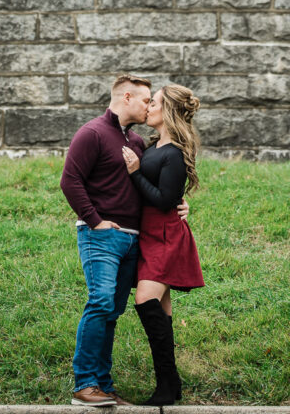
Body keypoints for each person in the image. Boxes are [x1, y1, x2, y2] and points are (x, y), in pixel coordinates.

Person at [60, 75, 189, 407]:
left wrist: (179, 204)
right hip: (102, 236)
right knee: (101, 303)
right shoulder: (92, 133)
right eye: (147, 100)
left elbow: (157, 185)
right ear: (127, 97)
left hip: (135, 240)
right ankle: (85, 384)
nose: (149, 106)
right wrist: (95, 221)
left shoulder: (135, 141)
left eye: (153, 102)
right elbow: (70, 180)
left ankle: (102, 386)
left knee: (112, 311)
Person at [121, 84, 204, 406]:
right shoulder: (155, 145)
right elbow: (169, 196)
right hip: (148, 235)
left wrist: (134, 173)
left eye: (153, 102)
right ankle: (168, 387)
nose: (148, 106)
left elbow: (165, 199)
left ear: (167, 109)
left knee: (146, 301)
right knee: (161, 311)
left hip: (166, 236)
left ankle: (169, 385)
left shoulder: (175, 153)